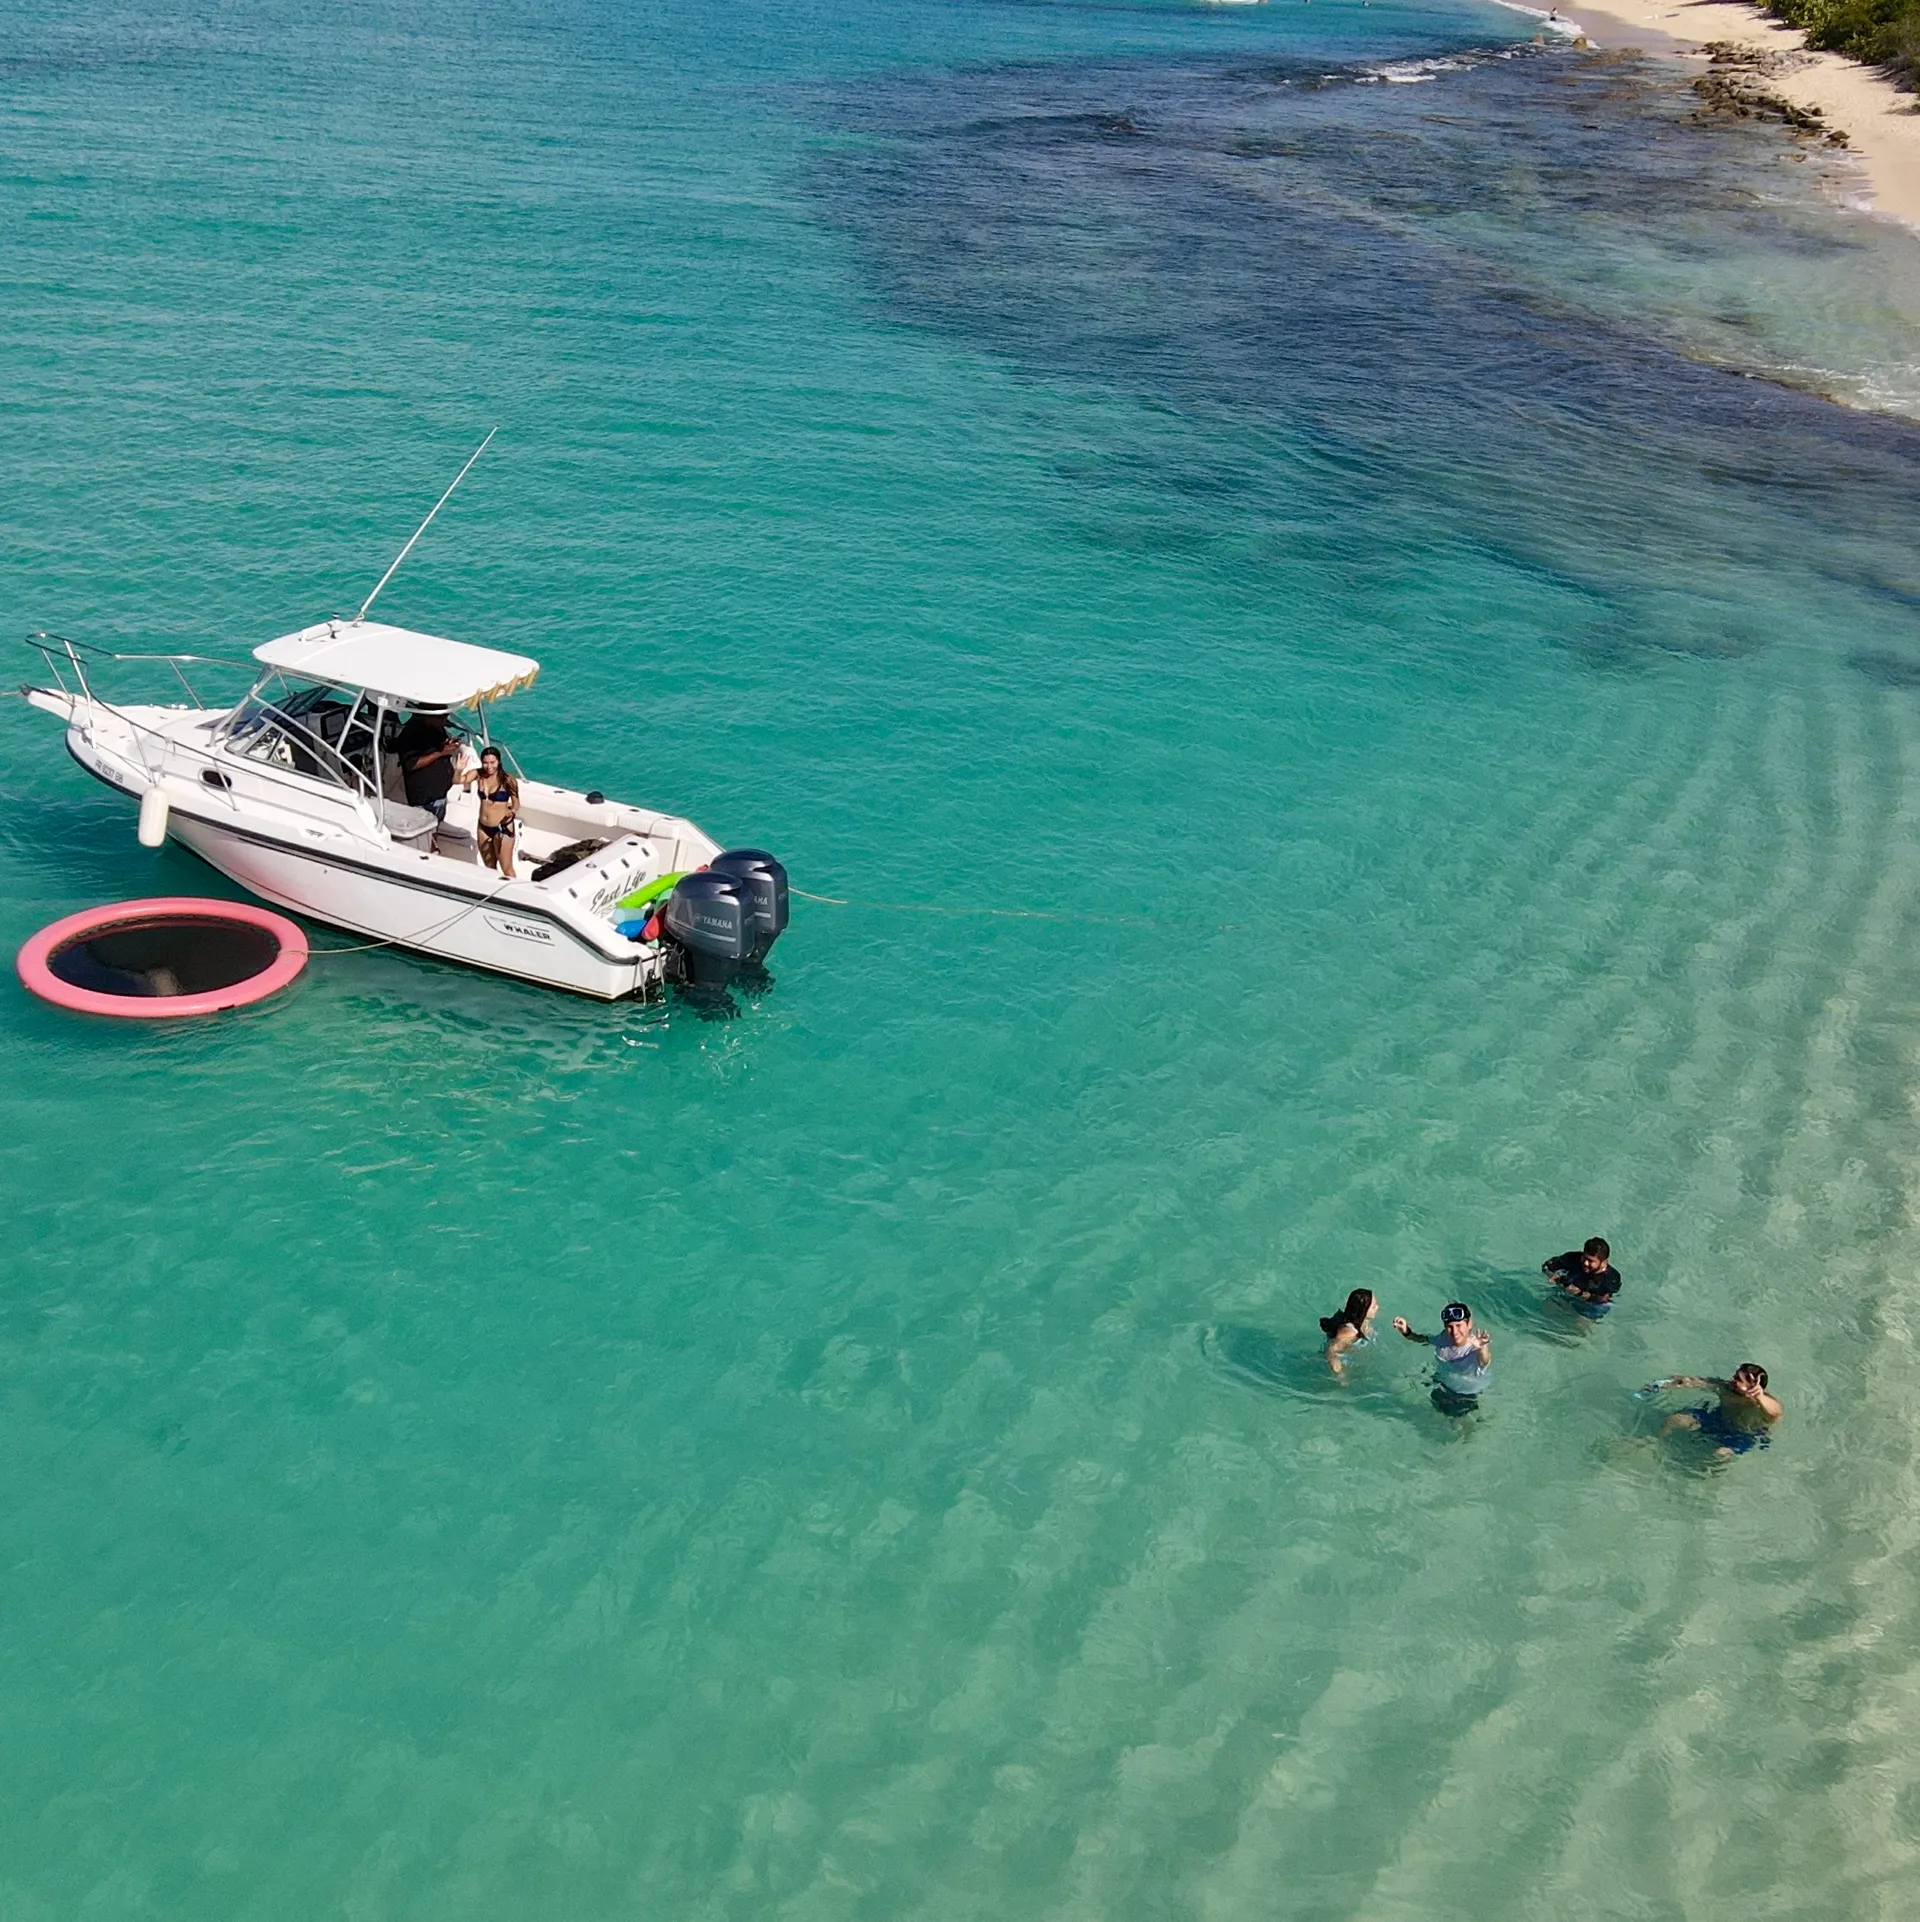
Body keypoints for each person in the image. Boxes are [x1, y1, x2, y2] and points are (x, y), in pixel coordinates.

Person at [1653, 1364, 1781, 1458]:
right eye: (1736, 1375)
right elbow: (1694, 1382)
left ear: (1751, 1387)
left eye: (1738, 1379)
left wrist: (1760, 1397)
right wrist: (1660, 1384)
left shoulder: (1759, 1403)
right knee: (1676, 1419)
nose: (1732, 1379)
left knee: (1721, 1454)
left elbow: (1776, 1412)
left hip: (1742, 1435)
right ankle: (1653, 1442)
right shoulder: (1725, 1388)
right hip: (1717, 1419)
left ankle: (1707, 1479)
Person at [1392, 1301, 1492, 1417]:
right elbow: (1422, 1339)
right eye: (1450, 1327)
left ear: (1469, 1324)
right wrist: (1406, 1331)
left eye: (1459, 1326)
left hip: (1465, 1394)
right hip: (1442, 1384)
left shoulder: (1475, 1348)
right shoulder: (1444, 1338)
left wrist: (1483, 1348)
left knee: (1460, 1427)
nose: (1454, 1332)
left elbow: (1485, 1361)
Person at [454, 743, 520, 879]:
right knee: (489, 868)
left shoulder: (508, 780)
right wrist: (459, 770)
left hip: (502, 828)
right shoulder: (478, 774)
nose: (489, 767)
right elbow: (457, 781)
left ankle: (515, 895)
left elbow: (516, 803)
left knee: (507, 868)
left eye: (492, 762)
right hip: (483, 827)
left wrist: (512, 811)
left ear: (499, 761)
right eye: (485, 763)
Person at [395, 710, 460, 820]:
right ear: (429, 715)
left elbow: (438, 749)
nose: (445, 720)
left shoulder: (438, 730)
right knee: (425, 831)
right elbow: (411, 764)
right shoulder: (411, 734)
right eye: (442, 716)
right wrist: (440, 753)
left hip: (440, 794)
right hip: (424, 798)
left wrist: (446, 746)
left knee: (435, 829)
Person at [1543, 1237, 1621, 1318]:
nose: (1585, 1263)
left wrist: (1579, 1293)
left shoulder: (1611, 1278)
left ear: (1604, 1261)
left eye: (1591, 1261)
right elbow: (1547, 1266)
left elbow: (1601, 1300)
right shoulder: (1574, 1258)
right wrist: (1552, 1276)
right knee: (1547, 1308)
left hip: (1593, 1305)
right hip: (1568, 1294)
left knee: (1581, 1323)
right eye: (1584, 1257)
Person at [1319, 1288, 1377, 1378]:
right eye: (1374, 1306)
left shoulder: (1365, 1323)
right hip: (1342, 1363)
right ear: (1363, 1310)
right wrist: (1340, 1376)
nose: (1378, 1307)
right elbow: (1331, 1352)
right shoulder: (1348, 1332)